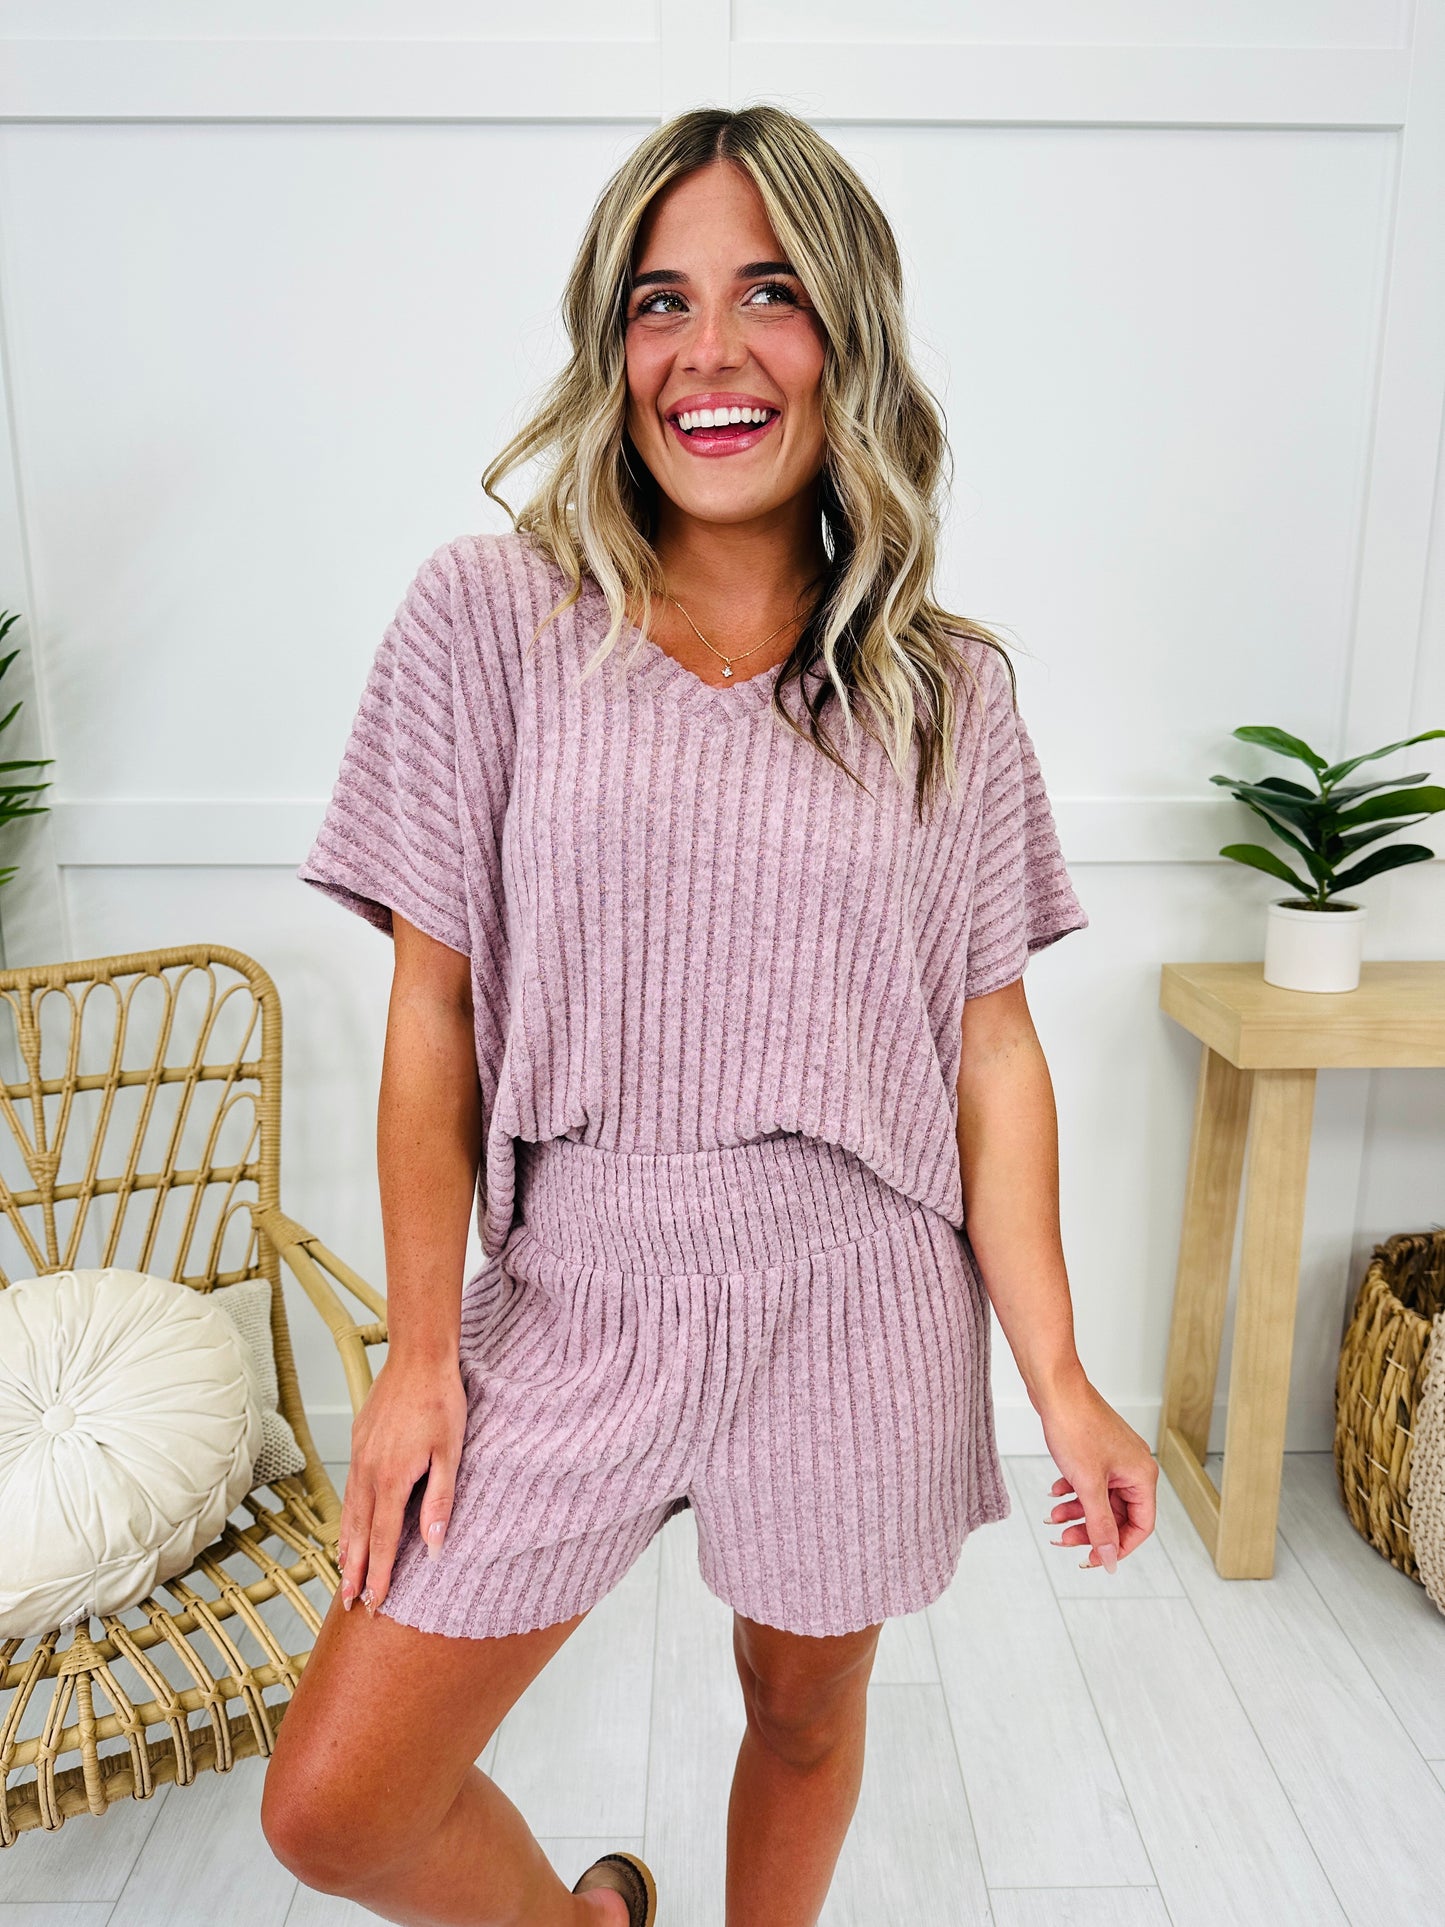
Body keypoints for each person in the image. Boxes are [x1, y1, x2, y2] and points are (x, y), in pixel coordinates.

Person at [261, 102, 1158, 1927]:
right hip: (580, 1283)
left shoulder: (943, 693)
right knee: (335, 1811)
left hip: (858, 1295)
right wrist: (420, 1353)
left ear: (847, 337)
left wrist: (1060, 1377)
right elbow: (429, 1012)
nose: (711, 352)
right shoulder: (489, 619)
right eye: (659, 303)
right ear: (612, 351)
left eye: (770, 294)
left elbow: (989, 1053)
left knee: (803, 1716)